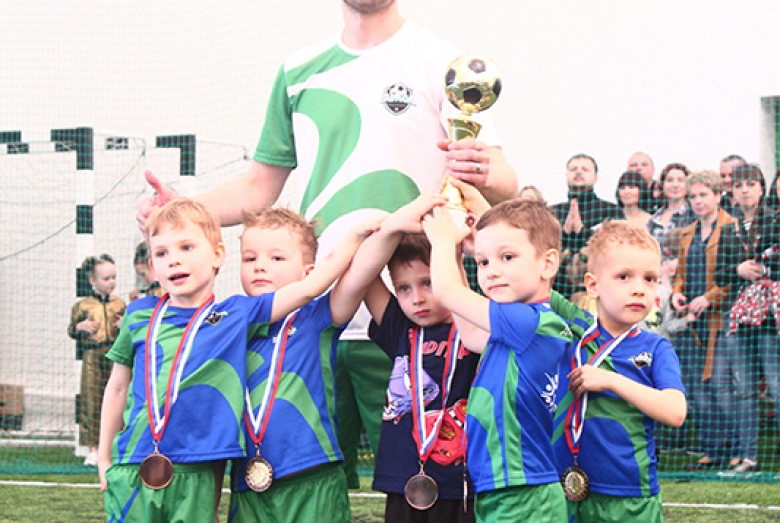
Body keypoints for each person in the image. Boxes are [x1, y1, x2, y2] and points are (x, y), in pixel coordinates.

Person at [136, 0, 518, 487]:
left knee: (430, 488)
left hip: (412, 317)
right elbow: (258, 188)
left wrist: (487, 173)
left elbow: (503, 181)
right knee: (296, 485)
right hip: (313, 315)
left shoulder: (443, 61)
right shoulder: (297, 71)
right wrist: (182, 210)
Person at [98, 198, 378, 522]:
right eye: (161, 253)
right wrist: (103, 457)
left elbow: (310, 288)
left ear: (218, 255)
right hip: (135, 462)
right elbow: (117, 387)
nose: (173, 260)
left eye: (186, 247)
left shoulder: (235, 315)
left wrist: (355, 236)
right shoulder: (138, 315)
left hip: (212, 470)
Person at [228, 206, 384, 523]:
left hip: (313, 478)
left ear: (309, 272)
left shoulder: (317, 317)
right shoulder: (230, 323)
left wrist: (366, 233)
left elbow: (361, 274)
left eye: (277, 258)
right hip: (248, 483)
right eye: (249, 258)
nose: (260, 266)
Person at [423, 199, 571, 523]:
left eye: (507, 257)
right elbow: (471, 335)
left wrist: (442, 241)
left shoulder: (528, 322)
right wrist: (458, 258)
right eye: (483, 261)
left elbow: (446, 292)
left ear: (548, 264)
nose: (491, 271)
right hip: (507, 488)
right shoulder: (516, 327)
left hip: (523, 492)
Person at [333, 193, 477, 522]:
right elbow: (364, 271)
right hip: (403, 477)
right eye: (404, 288)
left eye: (428, 283)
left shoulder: (474, 326)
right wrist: (393, 225)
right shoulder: (400, 327)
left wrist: (450, 246)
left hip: (462, 479)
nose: (417, 299)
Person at [549, 221, 686, 523]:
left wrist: (611, 380)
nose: (639, 288)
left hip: (631, 497)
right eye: (624, 276)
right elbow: (531, 278)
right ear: (593, 285)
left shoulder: (656, 347)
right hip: (564, 490)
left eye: (649, 279)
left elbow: (676, 412)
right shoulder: (574, 328)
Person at [715, 164, 780, 473]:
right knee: (744, 388)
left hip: (768, 318)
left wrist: (766, 270)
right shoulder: (728, 229)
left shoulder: (775, 221)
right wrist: (738, 270)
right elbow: (719, 274)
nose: (744, 190)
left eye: (751, 184)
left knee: (776, 386)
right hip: (738, 319)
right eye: (739, 185)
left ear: (761, 188)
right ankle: (748, 457)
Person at [669, 171, 736, 470]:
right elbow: (680, 274)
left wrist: (709, 297)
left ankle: (736, 449)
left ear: (718, 196)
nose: (697, 201)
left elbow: (733, 277)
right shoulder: (686, 234)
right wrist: (676, 293)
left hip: (721, 322)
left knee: (721, 386)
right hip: (691, 323)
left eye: (703, 195)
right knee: (696, 389)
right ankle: (711, 448)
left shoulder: (732, 228)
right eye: (693, 196)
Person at [68, 254, 126, 467]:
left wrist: (125, 324)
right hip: (92, 356)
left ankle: (115, 445)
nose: (111, 282)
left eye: (114, 277)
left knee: (117, 400)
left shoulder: (119, 304)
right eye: (106, 278)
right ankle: (93, 448)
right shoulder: (82, 305)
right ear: (93, 280)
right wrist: (79, 327)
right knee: (91, 400)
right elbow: (71, 330)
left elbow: (130, 328)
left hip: (116, 356)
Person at [551, 154, 621, 298]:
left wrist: (583, 232)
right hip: (555, 293)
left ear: (596, 177)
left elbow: (615, 249)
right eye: (573, 169)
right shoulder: (553, 212)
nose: (578, 172)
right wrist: (563, 233)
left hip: (597, 294)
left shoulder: (611, 211)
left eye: (585, 169)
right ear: (566, 175)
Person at [647, 163, 695, 260]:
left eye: (680, 180)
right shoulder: (654, 219)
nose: (675, 185)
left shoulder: (694, 216)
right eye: (670, 180)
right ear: (663, 185)